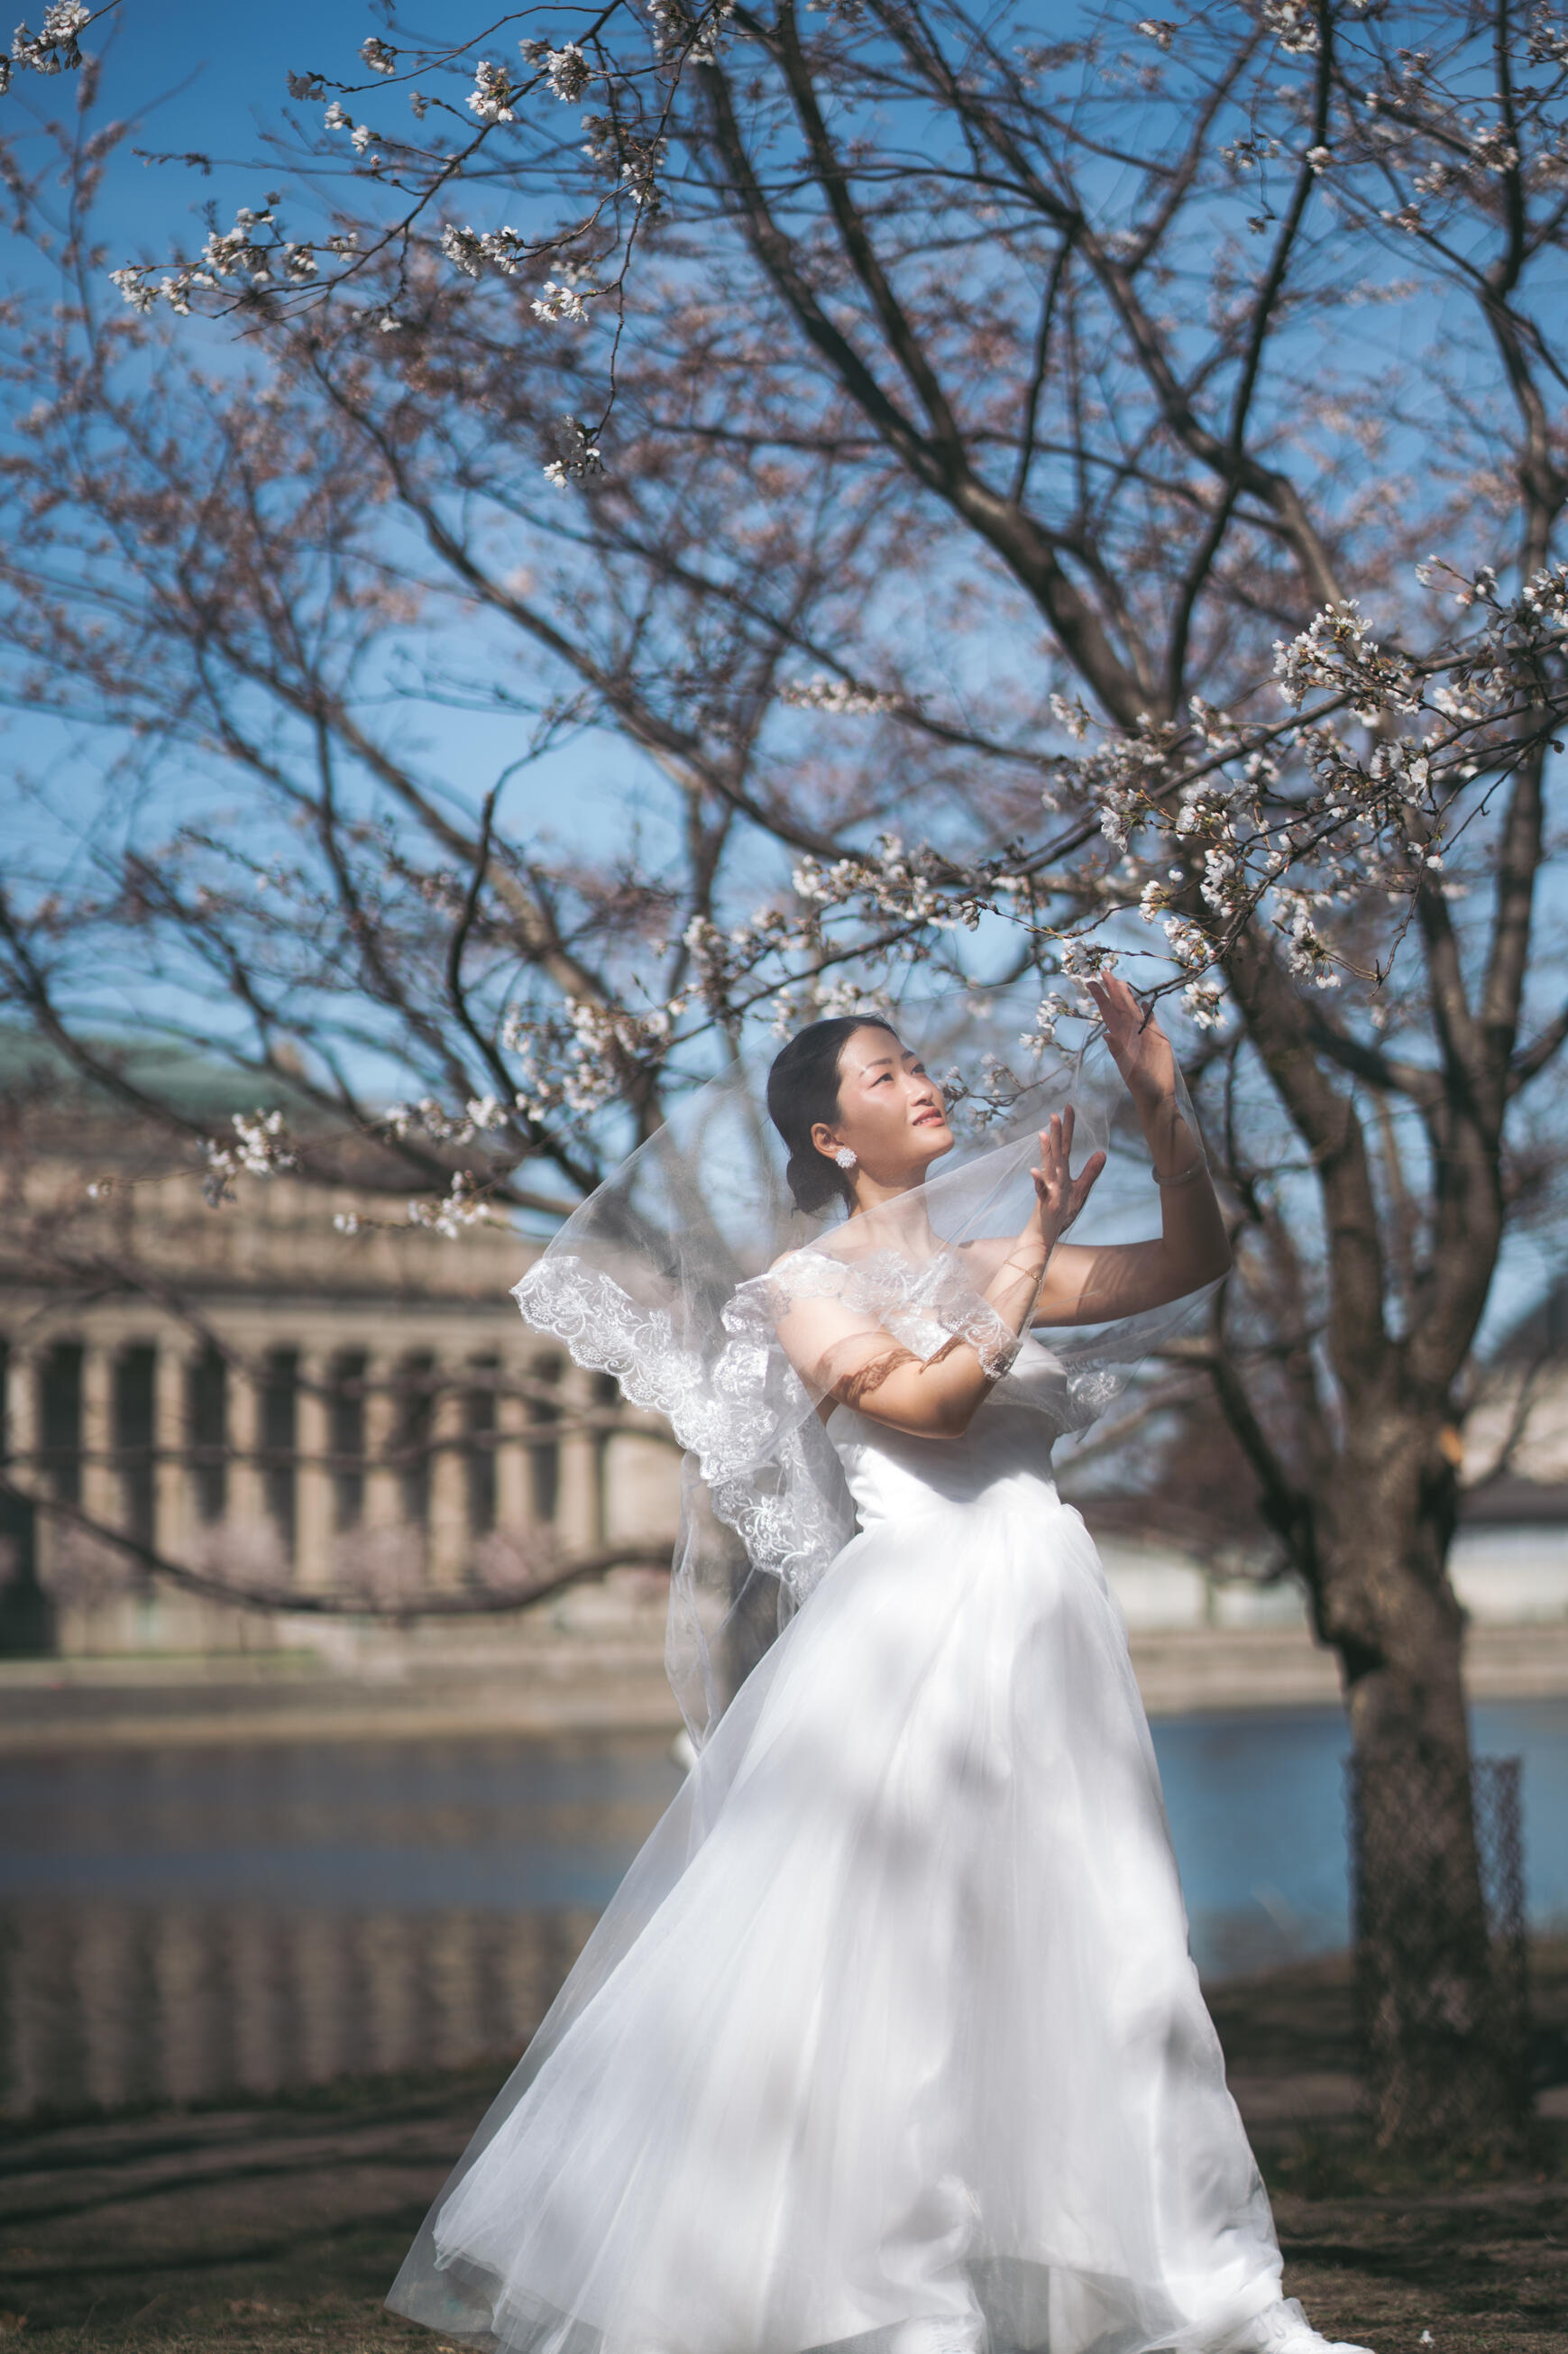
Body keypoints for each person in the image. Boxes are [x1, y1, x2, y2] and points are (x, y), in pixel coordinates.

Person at [388, 977, 1373, 2354]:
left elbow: (1192, 1259)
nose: (921, 1082)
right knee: (902, 1979)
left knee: (1127, 1948)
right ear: (832, 1138)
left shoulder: (988, 1257)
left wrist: (1163, 1110)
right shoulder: (801, 1288)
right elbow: (932, 1402)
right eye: (882, 1073)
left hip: (1049, 1621)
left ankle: (1223, 2303)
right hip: (910, 1639)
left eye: (916, 1062)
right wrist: (1033, 1245)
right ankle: (900, 2315)